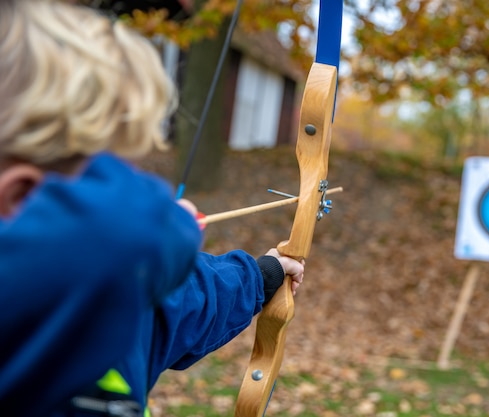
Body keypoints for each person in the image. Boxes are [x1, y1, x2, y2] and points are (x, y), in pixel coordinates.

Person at [0, 0, 304, 415]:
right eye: (112, 174)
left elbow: (192, 296)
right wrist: (168, 225)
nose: (138, 187)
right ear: (21, 199)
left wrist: (261, 275)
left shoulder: (119, 293)